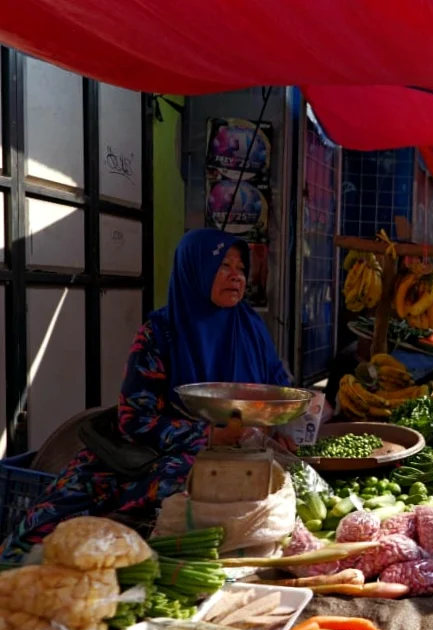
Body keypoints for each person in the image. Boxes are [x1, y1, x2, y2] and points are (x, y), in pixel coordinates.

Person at [0, 228, 294, 561]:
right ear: (194, 269)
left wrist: (284, 428)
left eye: (241, 269)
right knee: (48, 532)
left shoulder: (251, 328)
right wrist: (207, 436)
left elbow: (276, 387)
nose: (236, 276)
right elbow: (135, 419)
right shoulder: (161, 333)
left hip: (242, 455)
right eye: (224, 266)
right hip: (147, 459)